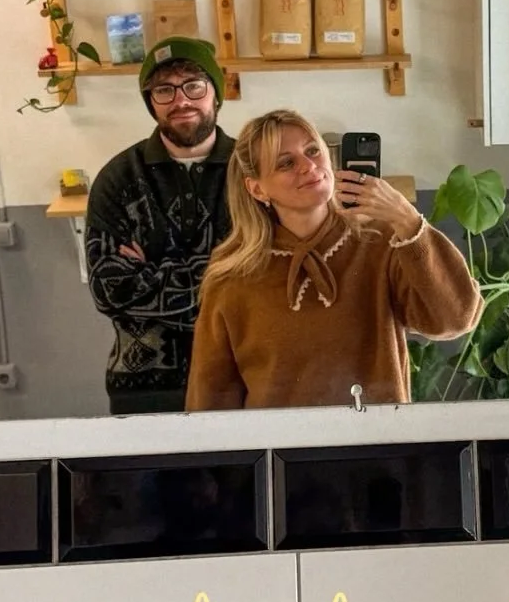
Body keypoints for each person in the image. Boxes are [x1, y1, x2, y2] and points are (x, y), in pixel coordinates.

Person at [185, 109, 483, 410]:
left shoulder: (380, 241)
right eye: (286, 162)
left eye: (313, 150)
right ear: (257, 188)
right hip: (276, 452)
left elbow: (456, 319)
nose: (308, 166)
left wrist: (409, 224)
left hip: (378, 447)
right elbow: (211, 395)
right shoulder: (233, 275)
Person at [85, 37, 234, 414]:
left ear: (216, 93)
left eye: (194, 85)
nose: (181, 100)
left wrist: (151, 271)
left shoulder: (253, 169)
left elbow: (272, 276)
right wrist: (224, 275)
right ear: (151, 103)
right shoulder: (118, 177)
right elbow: (109, 290)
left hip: (243, 377)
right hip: (143, 389)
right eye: (164, 90)